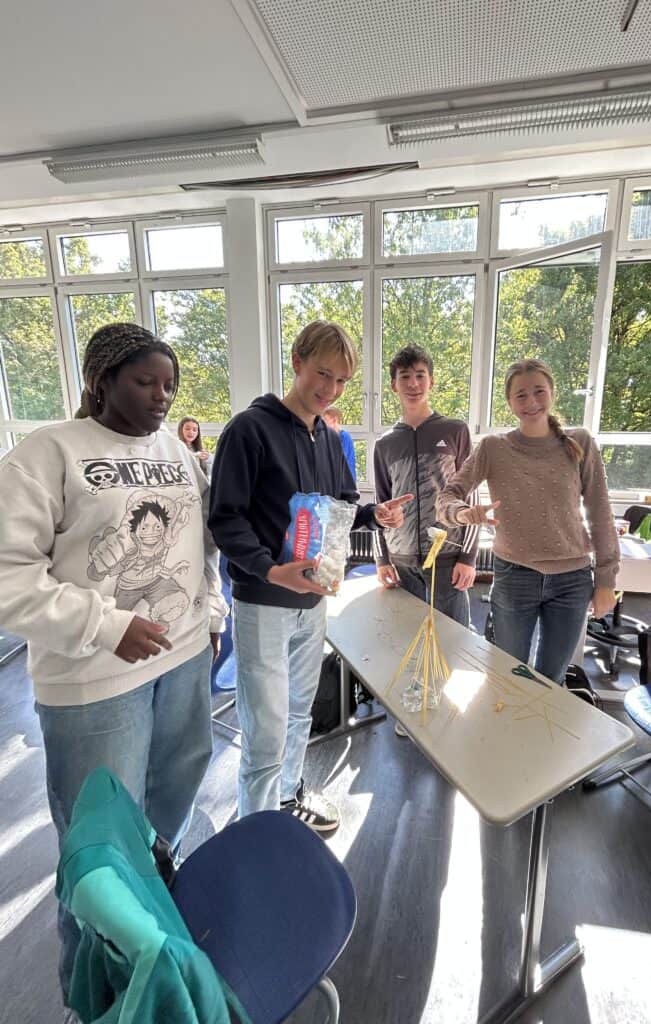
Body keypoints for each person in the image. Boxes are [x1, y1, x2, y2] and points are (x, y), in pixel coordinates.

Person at [0, 322, 227, 1005]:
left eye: (169, 385)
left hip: (183, 659)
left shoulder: (177, 452)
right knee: (99, 852)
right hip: (95, 681)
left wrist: (212, 615)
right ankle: (92, 998)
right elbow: (8, 576)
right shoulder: (47, 453)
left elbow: (202, 544)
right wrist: (105, 626)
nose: (161, 396)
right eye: (144, 381)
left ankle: (154, 943)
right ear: (101, 382)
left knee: (166, 815)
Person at [208, 320, 412, 831]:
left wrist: (374, 515)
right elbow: (225, 519)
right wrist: (271, 570)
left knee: (300, 710)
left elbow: (340, 508)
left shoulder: (329, 437)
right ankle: (257, 831)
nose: (331, 389)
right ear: (297, 361)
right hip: (263, 603)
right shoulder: (248, 430)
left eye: (342, 381)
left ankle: (286, 797)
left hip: (314, 600)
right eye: (323, 373)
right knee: (266, 726)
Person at [436, 357, 618, 685]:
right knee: (509, 676)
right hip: (514, 577)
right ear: (509, 402)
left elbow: (600, 512)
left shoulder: (580, 443)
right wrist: (462, 513)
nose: (531, 401)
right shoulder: (494, 448)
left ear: (552, 393)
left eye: (539, 391)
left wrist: (606, 580)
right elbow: (447, 497)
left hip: (572, 580)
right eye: (521, 395)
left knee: (552, 680)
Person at [373, 344, 478, 628]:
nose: (413, 384)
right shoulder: (385, 444)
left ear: (431, 381)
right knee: (406, 642)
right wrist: (382, 559)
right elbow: (380, 507)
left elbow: (471, 497)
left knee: (454, 641)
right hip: (402, 563)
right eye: (405, 376)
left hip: (447, 559)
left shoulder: (455, 431)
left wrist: (468, 557)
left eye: (420, 375)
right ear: (394, 385)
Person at [322, 404, 357, 483]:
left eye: (324, 421)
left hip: (345, 483)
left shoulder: (344, 437)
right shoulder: (327, 437)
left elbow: (338, 462)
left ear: (334, 420)